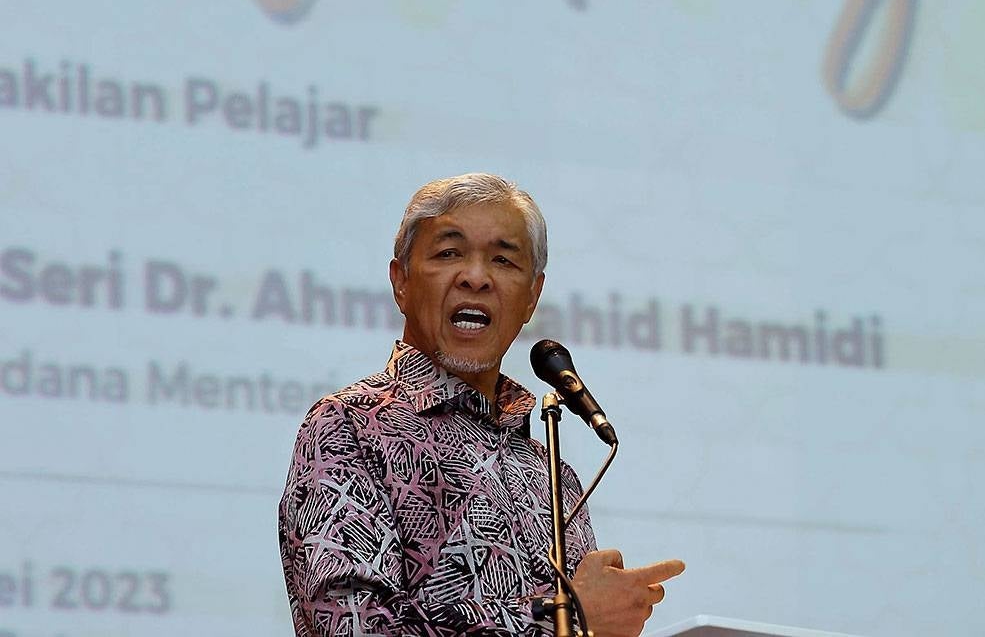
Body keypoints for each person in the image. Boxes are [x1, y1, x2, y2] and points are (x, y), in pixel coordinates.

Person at [278, 173, 684, 636]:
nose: (476, 276)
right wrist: (562, 619)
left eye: (503, 259)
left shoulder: (550, 472)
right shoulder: (348, 426)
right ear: (401, 282)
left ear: (532, 297)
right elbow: (355, 627)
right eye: (449, 253)